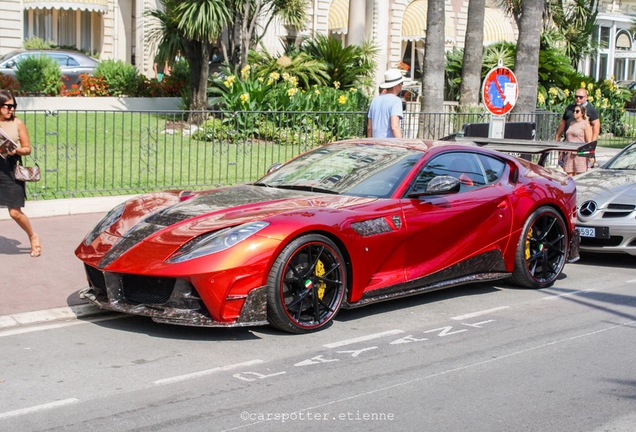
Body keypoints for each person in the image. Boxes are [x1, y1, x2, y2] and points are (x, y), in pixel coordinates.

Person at [0, 90, 41, 257]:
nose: (12, 109)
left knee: (15, 212)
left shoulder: (17, 123)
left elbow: (27, 149)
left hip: (9, 169)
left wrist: (13, 150)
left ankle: (33, 236)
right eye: (8, 106)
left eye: (13, 106)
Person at [555, 88, 600, 166]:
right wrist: (557, 136)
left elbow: (596, 124)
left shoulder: (590, 109)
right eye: (576, 97)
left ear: (586, 97)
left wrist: (592, 144)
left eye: (580, 97)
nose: (578, 99)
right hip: (569, 142)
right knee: (567, 167)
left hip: (582, 144)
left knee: (581, 168)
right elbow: (563, 122)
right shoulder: (570, 107)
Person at [367, 69, 404, 138]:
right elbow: (394, 127)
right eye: (402, 83)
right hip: (389, 145)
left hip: (375, 145)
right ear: (396, 86)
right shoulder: (396, 101)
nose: (402, 86)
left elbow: (369, 128)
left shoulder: (375, 100)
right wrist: (402, 145)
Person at [560, 104, 593, 176]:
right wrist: (561, 152)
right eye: (573, 111)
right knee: (568, 175)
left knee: (579, 175)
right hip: (569, 153)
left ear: (582, 113)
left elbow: (588, 141)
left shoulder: (585, 124)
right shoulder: (571, 123)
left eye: (577, 111)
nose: (574, 112)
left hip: (580, 153)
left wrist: (590, 156)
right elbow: (567, 138)